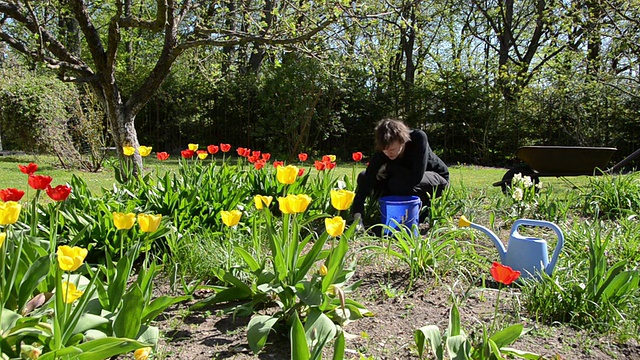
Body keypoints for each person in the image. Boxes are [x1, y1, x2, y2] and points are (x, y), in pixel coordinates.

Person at [351, 118, 449, 228]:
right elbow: (366, 180)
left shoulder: (418, 138)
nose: (388, 153)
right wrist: (357, 217)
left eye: (392, 149)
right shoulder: (384, 149)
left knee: (397, 183)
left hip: (435, 178)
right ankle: (390, 215)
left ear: (402, 140)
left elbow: (415, 177)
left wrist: (389, 167)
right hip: (403, 177)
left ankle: (421, 212)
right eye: (385, 150)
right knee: (363, 176)